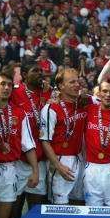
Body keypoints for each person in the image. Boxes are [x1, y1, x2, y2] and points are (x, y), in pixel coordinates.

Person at [0, 71, 37, 218]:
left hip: (9, 169)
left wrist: (35, 171)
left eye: (9, 85)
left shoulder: (19, 113)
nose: (6, 88)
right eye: (3, 84)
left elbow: (28, 145)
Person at [40, 68, 87, 205]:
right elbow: (44, 141)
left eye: (78, 81)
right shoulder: (51, 109)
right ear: (61, 86)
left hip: (80, 158)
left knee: (79, 202)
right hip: (60, 160)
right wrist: (58, 165)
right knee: (60, 206)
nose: (77, 85)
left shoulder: (83, 102)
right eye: (72, 82)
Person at [9, 64, 51, 214]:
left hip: (40, 159)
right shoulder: (14, 92)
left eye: (41, 71)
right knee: (13, 209)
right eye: (35, 70)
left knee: (36, 209)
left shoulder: (48, 93)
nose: (40, 73)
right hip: (19, 160)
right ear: (25, 74)